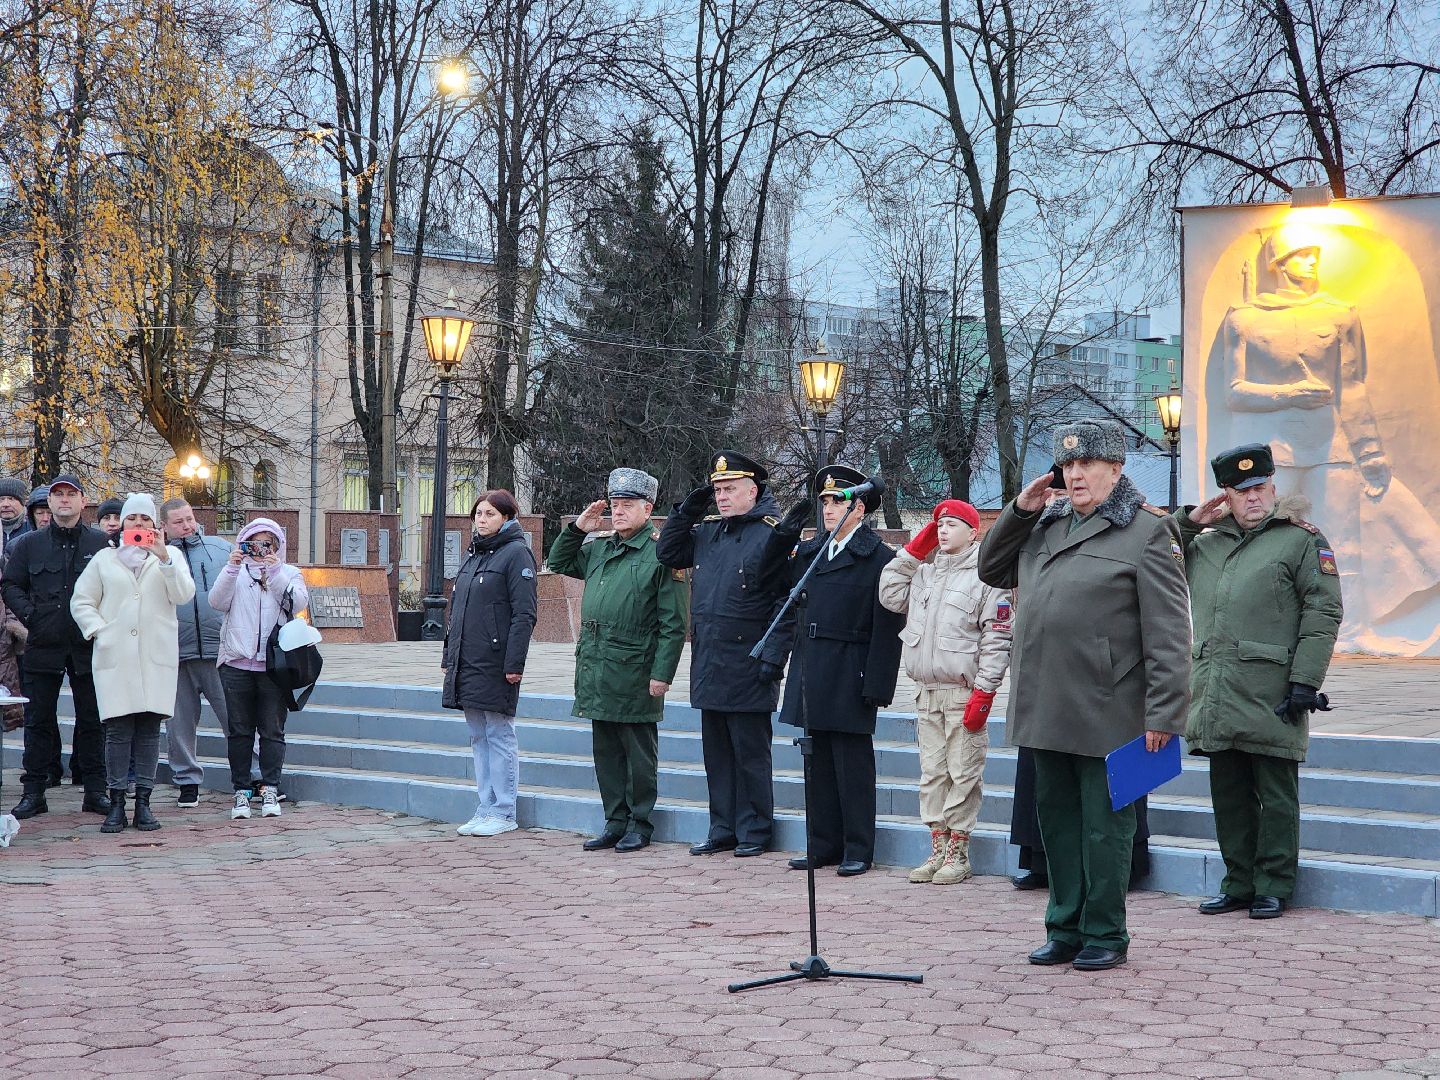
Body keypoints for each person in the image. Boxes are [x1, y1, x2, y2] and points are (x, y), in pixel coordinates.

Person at [978, 420, 1191, 972]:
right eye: (1067, 466)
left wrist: (1164, 713)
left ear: (1115, 470)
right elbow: (991, 568)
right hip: (1046, 704)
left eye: (1086, 465)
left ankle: (1105, 932)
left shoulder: (1148, 532)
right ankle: (1064, 926)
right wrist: (1020, 511)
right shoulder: (1045, 523)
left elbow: (1169, 633)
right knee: (1057, 825)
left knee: (1107, 829)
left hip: (1112, 709)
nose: (1074, 475)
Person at [1179, 443, 1343, 919]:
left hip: (1272, 687)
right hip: (1216, 686)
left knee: (1275, 792)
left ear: (1273, 487)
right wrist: (1191, 520)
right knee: (1227, 790)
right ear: (1224, 495)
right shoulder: (1206, 542)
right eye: (1239, 490)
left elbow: (1323, 610)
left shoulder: (1302, 540)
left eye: (1259, 487)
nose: (1252, 498)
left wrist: (1305, 681)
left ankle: (1273, 883)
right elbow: (1156, 549)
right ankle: (1238, 882)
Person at [656, 451, 796, 858]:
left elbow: (784, 602)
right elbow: (669, 553)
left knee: (750, 753)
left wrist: (773, 655)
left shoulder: (772, 533)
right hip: (711, 658)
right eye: (717, 490)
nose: (721, 496)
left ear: (753, 490)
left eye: (730, 489)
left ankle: (755, 829)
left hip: (749, 659)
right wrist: (686, 511)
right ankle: (723, 827)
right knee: (716, 754)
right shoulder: (710, 530)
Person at [548, 469, 689, 853]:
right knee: (606, 751)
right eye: (615, 505)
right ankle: (614, 821)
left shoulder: (661, 553)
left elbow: (673, 624)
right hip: (597, 665)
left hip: (636, 668)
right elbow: (559, 561)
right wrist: (579, 528)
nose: (619, 512)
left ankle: (639, 824)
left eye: (628, 505)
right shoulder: (600, 547)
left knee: (637, 755)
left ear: (648, 508)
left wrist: (663, 674)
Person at [773, 466, 904, 877]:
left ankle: (857, 847)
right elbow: (776, 586)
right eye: (825, 501)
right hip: (812, 666)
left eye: (837, 501)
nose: (828, 508)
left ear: (859, 507)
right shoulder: (811, 554)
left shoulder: (878, 557)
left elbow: (887, 627)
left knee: (852, 765)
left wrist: (878, 682)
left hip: (851, 669)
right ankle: (823, 843)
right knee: (817, 762)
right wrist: (785, 536)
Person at [879, 498, 1012, 885]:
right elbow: (889, 593)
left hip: (962, 693)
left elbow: (996, 639)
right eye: (938, 524)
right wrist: (913, 551)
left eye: (952, 524)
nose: (942, 529)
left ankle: (958, 850)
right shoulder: (924, 574)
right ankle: (937, 847)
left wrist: (985, 693)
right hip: (927, 692)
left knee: (963, 771)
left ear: (974, 532)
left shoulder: (988, 577)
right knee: (933, 774)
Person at [70, 494, 195, 833]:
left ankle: (144, 802)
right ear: (121, 525)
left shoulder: (172, 557)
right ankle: (116, 804)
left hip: (155, 657)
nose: (138, 526)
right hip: (116, 656)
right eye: (132, 520)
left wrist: (165, 557)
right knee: (118, 731)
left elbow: (183, 594)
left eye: (145, 520)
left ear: (155, 526)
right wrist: (100, 631)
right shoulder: (104, 560)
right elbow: (82, 601)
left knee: (149, 732)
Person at [1, 473, 111, 819]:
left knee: (93, 719)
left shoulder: (100, 545)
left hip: (88, 642)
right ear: (48, 503)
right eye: (57, 495)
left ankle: (95, 790)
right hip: (43, 643)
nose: (64, 500)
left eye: (70, 495)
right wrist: (32, 616)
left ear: (82, 501)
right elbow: (11, 585)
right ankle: (34, 791)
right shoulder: (28, 545)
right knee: (38, 720)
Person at [443, 490, 538, 838]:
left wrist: (514, 663)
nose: (481, 520)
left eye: (490, 514)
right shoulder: (474, 555)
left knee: (498, 734)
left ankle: (503, 809)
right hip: (468, 660)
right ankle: (485, 806)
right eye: (478, 514)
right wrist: (448, 657)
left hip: (497, 662)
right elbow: (458, 611)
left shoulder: (516, 554)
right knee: (477, 735)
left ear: (507, 518)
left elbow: (524, 614)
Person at [209, 517, 308, 822]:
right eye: (254, 542)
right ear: (244, 543)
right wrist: (232, 568)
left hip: (273, 666)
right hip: (236, 662)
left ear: (277, 546)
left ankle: (270, 787)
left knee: (272, 730)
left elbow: (297, 603)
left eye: (268, 543)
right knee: (239, 731)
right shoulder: (235, 573)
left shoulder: (288, 572)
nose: (260, 548)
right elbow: (216, 601)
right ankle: (241, 790)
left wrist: (274, 571)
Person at [161, 498, 233, 808]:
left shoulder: (221, 549)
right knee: (179, 725)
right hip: (176, 653)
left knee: (236, 719)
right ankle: (187, 782)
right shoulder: (159, 556)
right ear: (163, 526)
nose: (187, 525)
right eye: (178, 522)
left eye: (189, 518)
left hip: (220, 651)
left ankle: (252, 776)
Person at [0, 478, 31, 549]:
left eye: (11, 499)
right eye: (1, 499)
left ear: (22, 502)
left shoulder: (33, 527)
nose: (5, 504)